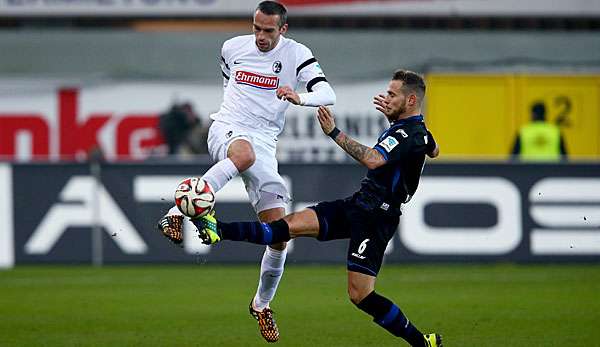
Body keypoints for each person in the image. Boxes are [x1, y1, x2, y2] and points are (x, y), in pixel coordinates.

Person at [194, 70, 442, 347]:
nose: (386, 98)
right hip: (359, 204)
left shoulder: (408, 133)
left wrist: (333, 132)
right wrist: (411, 135)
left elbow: (373, 160)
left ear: (411, 100)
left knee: (360, 295)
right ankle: (216, 229)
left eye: (393, 94)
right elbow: (434, 149)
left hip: (377, 217)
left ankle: (421, 342)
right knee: (286, 227)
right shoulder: (415, 131)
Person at [157, 1, 336, 343]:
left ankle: (261, 304)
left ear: (282, 29)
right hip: (228, 127)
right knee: (243, 154)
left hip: (265, 143)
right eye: (256, 28)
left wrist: (299, 97)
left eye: (269, 30)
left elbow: (328, 93)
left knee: (279, 235)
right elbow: (229, 85)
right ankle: (173, 213)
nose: (261, 36)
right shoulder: (231, 47)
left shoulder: (297, 54)